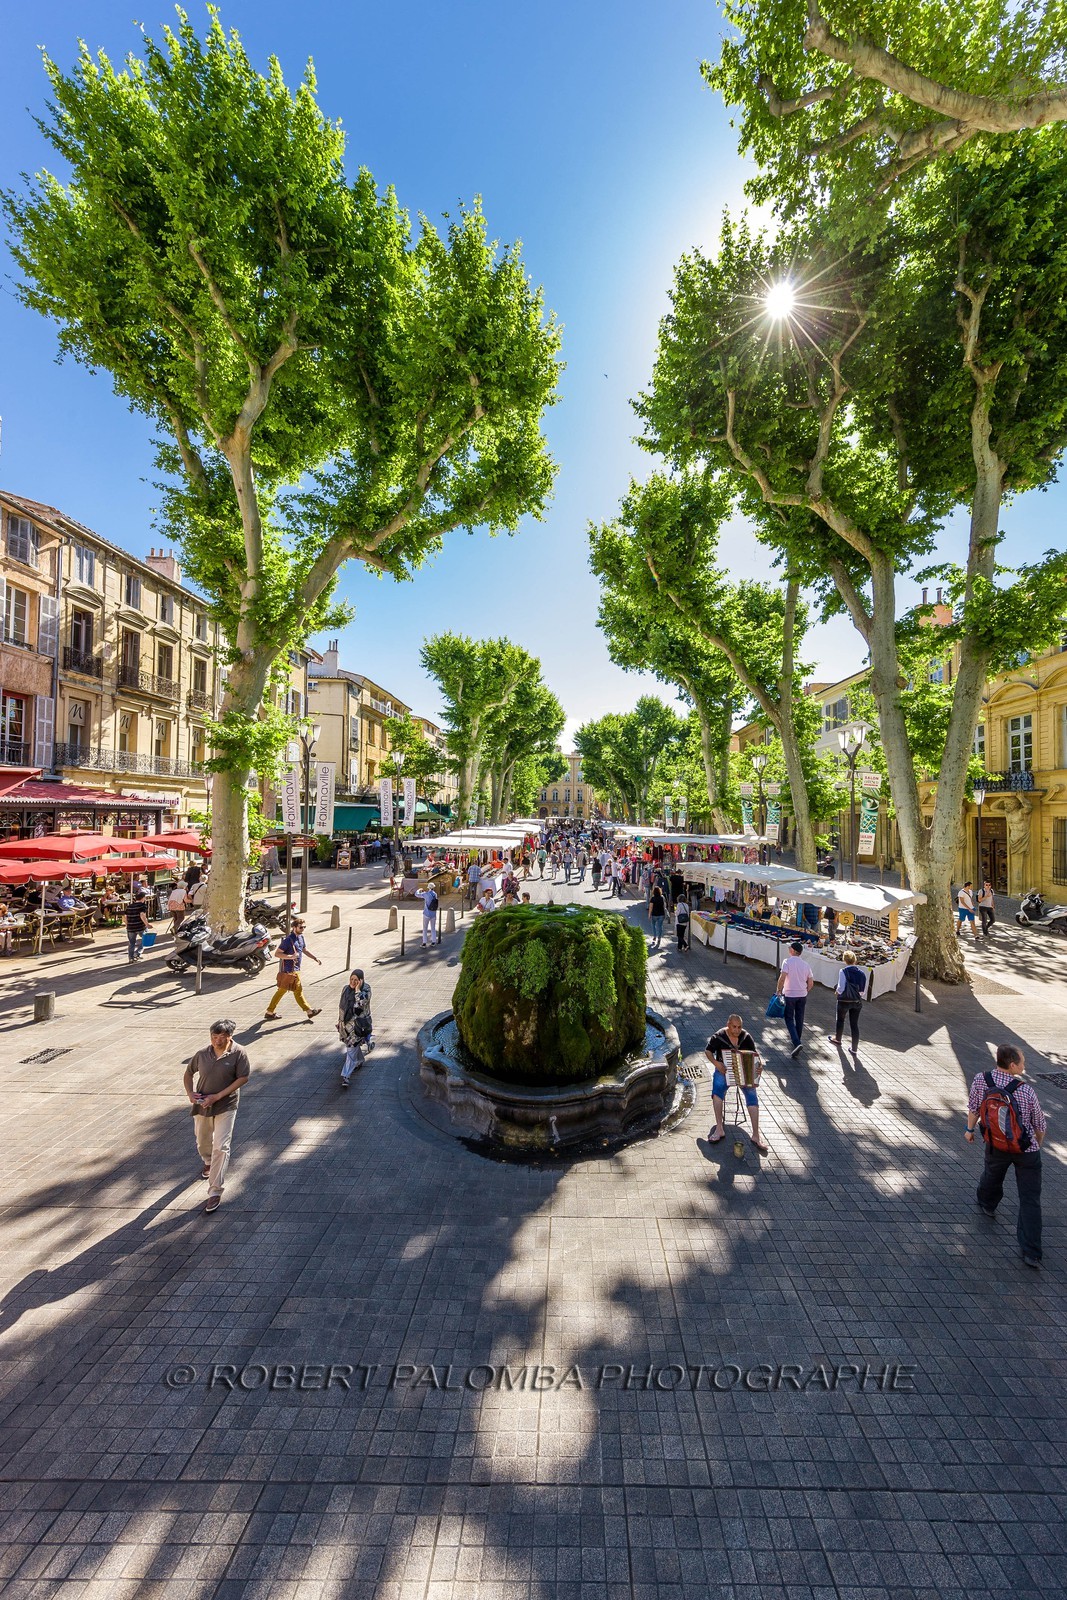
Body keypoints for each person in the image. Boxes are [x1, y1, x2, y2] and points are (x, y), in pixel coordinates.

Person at [966, 1044, 1046, 1268]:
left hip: (996, 1142)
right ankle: (1032, 1252)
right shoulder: (1025, 1090)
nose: (1024, 1065)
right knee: (1030, 1199)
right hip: (1025, 1149)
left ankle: (987, 1204)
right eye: (1022, 1061)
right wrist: (1036, 1145)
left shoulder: (982, 1080)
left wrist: (970, 1130)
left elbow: (974, 1107)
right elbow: (1039, 1124)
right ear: (1012, 1065)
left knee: (992, 1174)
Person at [184, 1019, 250, 1214]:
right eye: (214, 1036)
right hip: (203, 1104)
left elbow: (243, 1077)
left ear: (230, 1036)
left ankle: (215, 1191)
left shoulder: (239, 1053)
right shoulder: (202, 1054)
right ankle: (207, 1161)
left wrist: (219, 1096)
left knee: (221, 1146)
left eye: (222, 1037)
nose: (218, 1041)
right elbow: (188, 1074)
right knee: (202, 1141)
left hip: (226, 1105)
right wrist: (190, 1094)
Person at [705, 1013, 768, 1153]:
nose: (737, 1030)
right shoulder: (719, 1036)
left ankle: (756, 1135)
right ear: (728, 1025)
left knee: (752, 1094)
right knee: (717, 1091)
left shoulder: (746, 1037)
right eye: (734, 1027)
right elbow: (708, 1051)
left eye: (739, 1027)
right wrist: (716, 1063)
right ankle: (719, 1129)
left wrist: (759, 1066)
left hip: (743, 1073)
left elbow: (755, 1056)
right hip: (724, 1070)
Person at [263, 917, 322, 1022]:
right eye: (301, 927)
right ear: (294, 927)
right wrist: (291, 956)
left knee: (282, 991)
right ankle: (309, 1011)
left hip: (296, 969)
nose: (303, 929)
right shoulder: (288, 940)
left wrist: (315, 958)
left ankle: (269, 1012)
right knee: (298, 990)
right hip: (289, 970)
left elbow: (304, 949)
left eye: (304, 927)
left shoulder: (301, 937)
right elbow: (277, 954)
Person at [776, 939, 814, 1058]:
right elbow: (811, 982)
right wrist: (805, 990)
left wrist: (778, 990)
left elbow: (782, 978)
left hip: (790, 994)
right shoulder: (806, 965)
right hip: (802, 995)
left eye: (789, 948)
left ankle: (796, 1042)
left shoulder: (787, 962)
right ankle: (797, 1040)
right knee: (799, 1018)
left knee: (788, 1018)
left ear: (793, 950)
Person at [337, 970, 374, 1087]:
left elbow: (362, 1003)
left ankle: (346, 1076)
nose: (353, 982)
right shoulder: (345, 989)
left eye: (356, 980)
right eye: (351, 979)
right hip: (346, 1026)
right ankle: (360, 1060)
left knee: (351, 1049)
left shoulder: (366, 989)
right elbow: (341, 1007)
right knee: (352, 1047)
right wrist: (340, 1022)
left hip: (358, 1026)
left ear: (361, 980)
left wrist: (357, 991)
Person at [827, 953, 866, 1053]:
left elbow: (841, 987)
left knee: (840, 1020)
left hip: (844, 1000)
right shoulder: (862, 973)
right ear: (855, 960)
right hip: (856, 1001)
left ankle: (838, 1039)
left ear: (845, 960)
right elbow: (862, 991)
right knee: (854, 1024)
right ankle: (854, 1048)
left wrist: (837, 992)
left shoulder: (843, 971)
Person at [124, 887, 149, 963]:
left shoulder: (129, 906)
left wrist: (127, 924)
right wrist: (147, 924)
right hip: (140, 926)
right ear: (142, 898)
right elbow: (142, 915)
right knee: (146, 940)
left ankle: (131, 958)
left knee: (131, 943)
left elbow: (125, 917)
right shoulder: (142, 906)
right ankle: (137, 953)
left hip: (130, 927)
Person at [418, 880, 440, 947]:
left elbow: (417, 894)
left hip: (426, 913)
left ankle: (424, 943)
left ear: (428, 887)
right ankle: (433, 942)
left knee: (425, 929)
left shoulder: (426, 894)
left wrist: (419, 890)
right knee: (433, 928)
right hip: (433, 913)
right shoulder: (435, 894)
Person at [648, 882, 666, 948]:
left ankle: (655, 936)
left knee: (653, 925)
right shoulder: (662, 897)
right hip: (661, 914)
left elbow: (650, 907)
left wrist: (649, 914)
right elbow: (664, 906)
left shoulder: (653, 898)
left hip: (654, 914)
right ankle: (659, 938)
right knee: (660, 926)